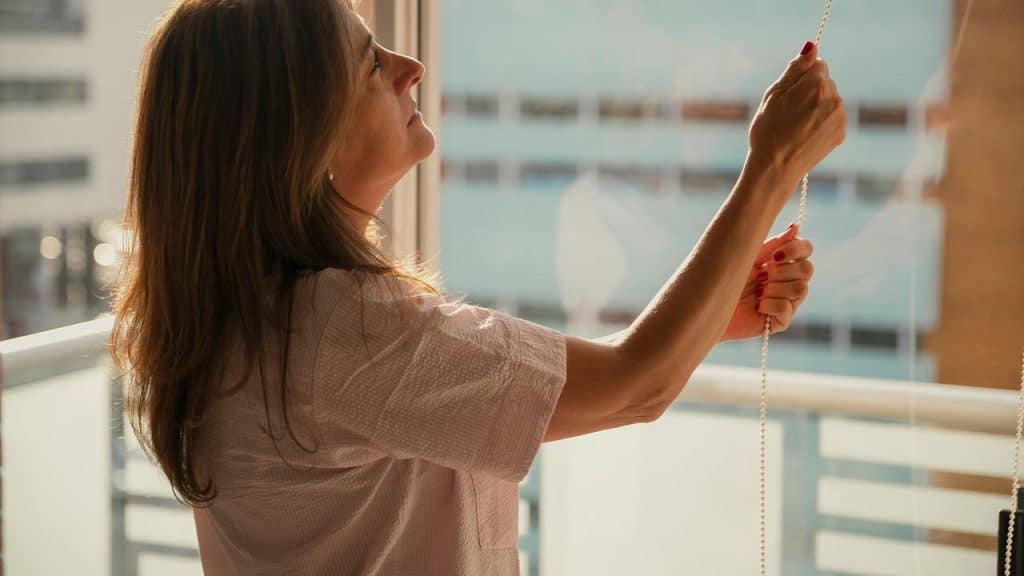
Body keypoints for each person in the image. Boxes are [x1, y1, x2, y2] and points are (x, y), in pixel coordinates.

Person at [108, 0, 844, 574]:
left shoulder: (247, 315)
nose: (410, 65)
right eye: (370, 65)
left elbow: (598, 382)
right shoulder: (346, 329)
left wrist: (710, 318)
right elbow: (636, 385)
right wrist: (772, 165)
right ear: (297, 138)